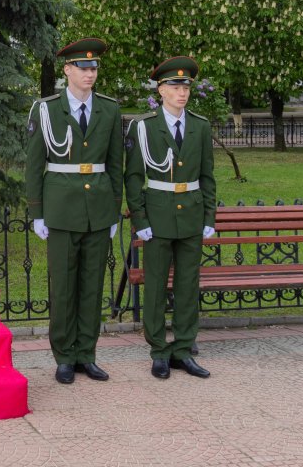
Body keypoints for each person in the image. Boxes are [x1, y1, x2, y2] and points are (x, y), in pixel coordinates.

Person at [25, 38, 123, 385]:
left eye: (94, 68)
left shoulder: (109, 109)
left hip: (97, 208)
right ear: (67, 70)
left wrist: (113, 211)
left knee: (92, 285)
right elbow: (35, 164)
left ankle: (87, 354)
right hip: (61, 209)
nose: (89, 73)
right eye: (83, 67)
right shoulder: (46, 109)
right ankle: (64, 356)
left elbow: (115, 165)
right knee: (64, 286)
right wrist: (37, 212)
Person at [124, 56, 216, 380]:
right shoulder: (145, 127)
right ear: (161, 89)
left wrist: (209, 215)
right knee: (156, 287)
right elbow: (133, 177)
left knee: (189, 286)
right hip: (159, 215)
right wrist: (141, 219)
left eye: (186, 86)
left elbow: (207, 177)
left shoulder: (201, 127)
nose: (182, 92)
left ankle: (183, 349)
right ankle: (159, 351)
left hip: (190, 215)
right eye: (175, 86)